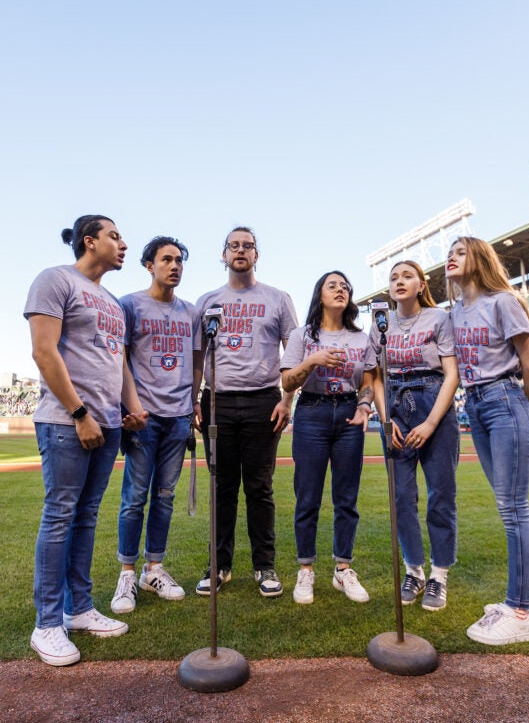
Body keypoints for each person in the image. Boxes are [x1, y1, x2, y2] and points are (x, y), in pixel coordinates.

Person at [24, 214, 149, 666]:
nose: (123, 243)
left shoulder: (114, 303)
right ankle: (47, 623)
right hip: (66, 421)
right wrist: (79, 414)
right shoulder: (54, 280)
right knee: (60, 514)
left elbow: (120, 365)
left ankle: (79, 608)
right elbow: (43, 351)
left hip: (109, 424)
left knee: (87, 516)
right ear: (89, 241)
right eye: (115, 236)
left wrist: (130, 408)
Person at [445, 236, 529, 645]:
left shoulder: (502, 301)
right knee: (513, 508)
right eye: (449, 254)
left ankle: (519, 611)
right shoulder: (454, 311)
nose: (452, 258)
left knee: (513, 509)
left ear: (479, 258)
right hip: (475, 404)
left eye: (460, 251)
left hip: (505, 398)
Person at [193, 226, 298, 598]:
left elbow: (294, 353)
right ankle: (219, 566)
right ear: (223, 255)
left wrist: (287, 400)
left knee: (259, 487)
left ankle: (264, 566)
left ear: (257, 255)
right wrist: (194, 399)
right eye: (233, 245)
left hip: (262, 400)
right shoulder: (205, 302)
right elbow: (197, 358)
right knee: (221, 487)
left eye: (248, 246)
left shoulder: (278, 299)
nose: (240, 250)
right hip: (218, 400)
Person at [110, 237, 199, 614]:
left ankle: (154, 568)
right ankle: (127, 572)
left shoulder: (191, 312)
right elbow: (120, 359)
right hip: (143, 417)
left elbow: (197, 361)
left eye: (179, 260)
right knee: (134, 498)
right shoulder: (129, 305)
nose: (174, 265)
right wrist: (129, 407)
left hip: (178, 416)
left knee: (165, 497)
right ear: (149, 264)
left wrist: (193, 403)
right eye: (166, 259)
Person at [280, 271, 376, 604]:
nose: (341, 290)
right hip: (312, 412)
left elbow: (368, 380)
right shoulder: (302, 335)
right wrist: (313, 359)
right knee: (307, 497)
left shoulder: (361, 338)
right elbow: (288, 383)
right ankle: (305, 570)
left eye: (346, 286)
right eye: (332, 285)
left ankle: (343, 568)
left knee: (346, 498)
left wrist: (365, 406)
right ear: (319, 294)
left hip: (349, 411)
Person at [371, 260, 460, 611]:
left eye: (407, 276)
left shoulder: (439, 318)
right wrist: (385, 418)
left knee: (441, 494)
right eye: (393, 278)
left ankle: (439, 574)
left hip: (433, 400)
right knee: (401, 497)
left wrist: (431, 423)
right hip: (394, 407)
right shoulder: (380, 325)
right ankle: (414, 570)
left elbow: (452, 374)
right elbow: (374, 376)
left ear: (422, 284)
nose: (399, 281)